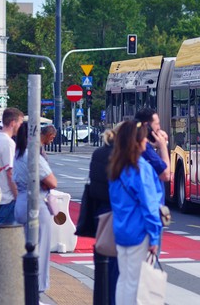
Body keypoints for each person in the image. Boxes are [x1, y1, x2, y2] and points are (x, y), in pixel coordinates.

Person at [108, 121, 163, 305]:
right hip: (139, 231)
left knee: (124, 280)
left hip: (121, 230)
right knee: (137, 282)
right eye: (144, 138)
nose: (147, 141)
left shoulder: (116, 168)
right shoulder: (141, 169)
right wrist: (154, 236)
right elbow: (149, 205)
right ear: (136, 142)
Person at [13, 122, 58, 296]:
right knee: (41, 248)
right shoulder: (33, 156)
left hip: (21, 202)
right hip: (37, 203)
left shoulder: (17, 154)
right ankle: (36, 290)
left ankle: (23, 288)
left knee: (24, 248)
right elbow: (52, 181)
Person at [88, 126, 121, 304]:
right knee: (116, 262)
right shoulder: (119, 156)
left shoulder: (98, 153)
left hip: (100, 210)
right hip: (115, 211)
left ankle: (101, 299)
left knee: (103, 258)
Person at [0, 107, 24, 224]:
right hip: (7, 198)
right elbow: (10, 173)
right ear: (13, 123)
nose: (21, 127)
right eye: (20, 123)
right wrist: (17, 197)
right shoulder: (8, 143)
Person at [133, 109, 170, 183]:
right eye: (157, 124)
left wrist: (157, 146)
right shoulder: (144, 148)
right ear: (147, 127)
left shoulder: (134, 143)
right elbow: (165, 175)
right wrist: (163, 147)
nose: (159, 128)